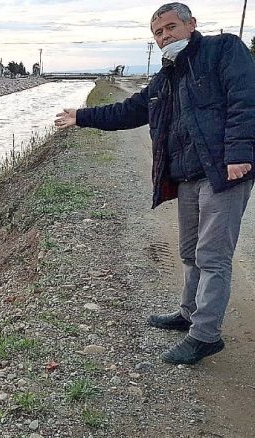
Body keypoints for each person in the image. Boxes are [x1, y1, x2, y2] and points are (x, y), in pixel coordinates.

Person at [54, 2, 255, 365]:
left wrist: (240, 154)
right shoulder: (166, 77)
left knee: (213, 257)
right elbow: (129, 110)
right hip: (187, 176)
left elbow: (246, 100)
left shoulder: (223, 50)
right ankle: (188, 312)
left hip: (223, 173)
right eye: (158, 33)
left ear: (191, 24)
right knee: (190, 252)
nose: (165, 36)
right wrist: (81, 116)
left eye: (170, 28)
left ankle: (205, 335)